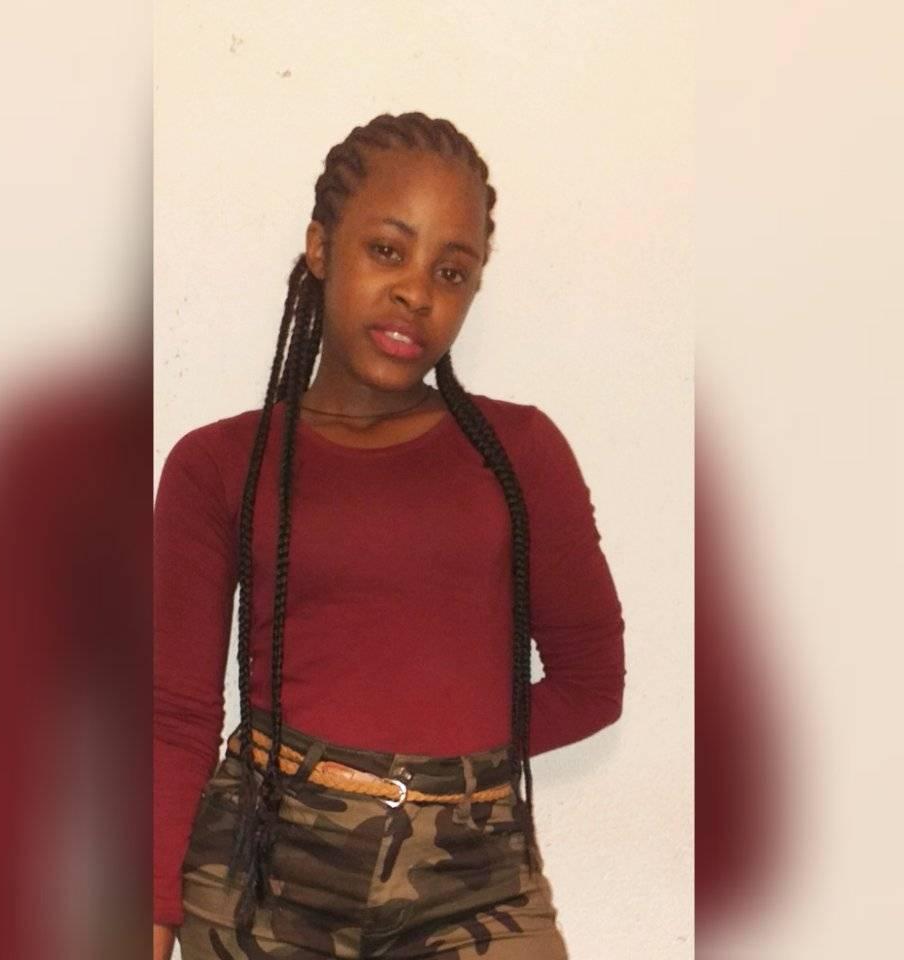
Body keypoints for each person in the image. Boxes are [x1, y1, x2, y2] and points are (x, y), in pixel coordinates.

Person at [153, 111, 626, 960]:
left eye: (452, 271)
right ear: (321, 248)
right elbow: (173, 715)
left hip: (477, 874)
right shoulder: (219, 464)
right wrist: (150, 907)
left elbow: (593, 684)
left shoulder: (519, 453)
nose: (417, 291)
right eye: (386, 250)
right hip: (262, 873)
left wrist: (441, 764)